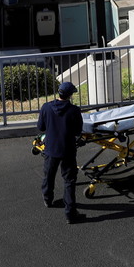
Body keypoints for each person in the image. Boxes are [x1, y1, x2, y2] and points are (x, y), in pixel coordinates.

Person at [38, 81, 85, 224]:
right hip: (68, 149)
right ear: (70, 95)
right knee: (69, 181)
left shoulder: (46, 107)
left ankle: (48, 199)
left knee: (49, 175)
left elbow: (41, 127)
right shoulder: (74, 111)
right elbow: (78, 131)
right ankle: (70, 213)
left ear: (59, 93)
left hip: (51, 148)